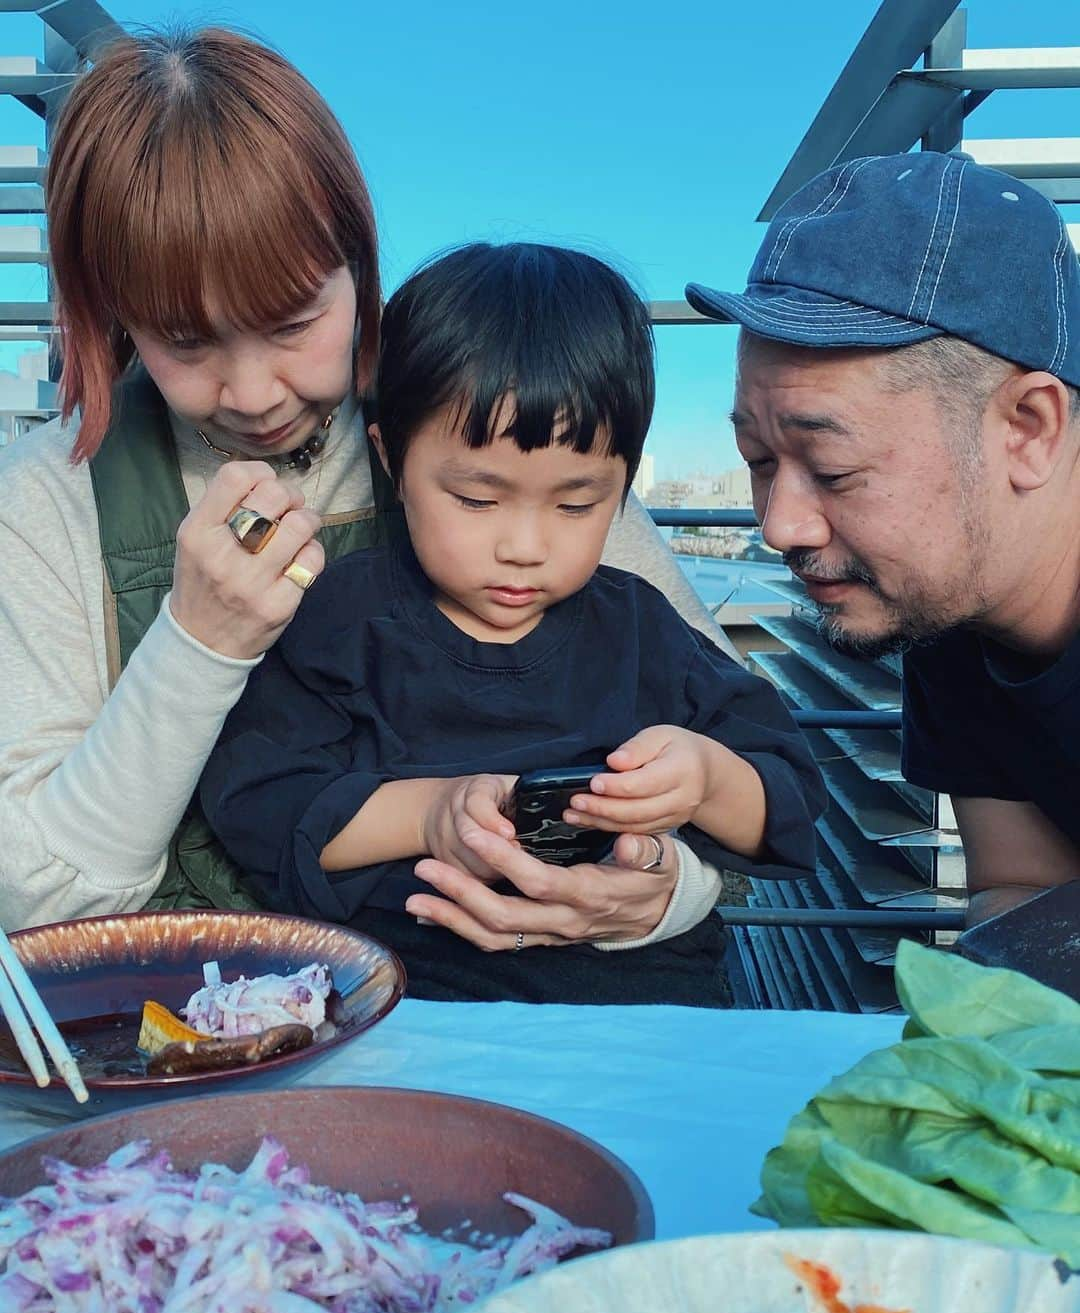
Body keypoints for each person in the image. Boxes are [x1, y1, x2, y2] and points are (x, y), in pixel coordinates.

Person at [0, 27, 747, 964]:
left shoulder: (491, 429)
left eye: (292, 322)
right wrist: (197, 644)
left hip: (497, 1006)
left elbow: (736, 757)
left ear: (359, 261)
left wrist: (657, 897)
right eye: (185, 342)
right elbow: (42, 901)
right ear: (114, 314)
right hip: (190, 1014)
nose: (255, 392)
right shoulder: (50, 500)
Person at [200, 243, 825, 1002]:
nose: (525, 548)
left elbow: (788, 799)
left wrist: (704, 781)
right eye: (476, 499)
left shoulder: (641, 629)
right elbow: (262, 804)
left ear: (624, 485)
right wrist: (431, 815)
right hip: (415, 1000)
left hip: (647, 1001)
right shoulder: (342, 620)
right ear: (392, 459)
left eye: (576, 504)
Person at [684, 149, 1080, 930]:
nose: (778, 526)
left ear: (1028, 430)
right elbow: (1026, 893)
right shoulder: (947, 599)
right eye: (760, 463)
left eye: (833, 470)